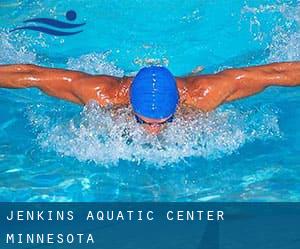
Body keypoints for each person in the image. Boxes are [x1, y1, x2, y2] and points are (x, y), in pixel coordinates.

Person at [0, 62, 299, 134]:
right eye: (142, 121)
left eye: (163, 122)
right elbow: (31, 75)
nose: (153, 132)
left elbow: (273, 74)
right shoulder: (101, 93)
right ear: (130, 105)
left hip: (191, 84)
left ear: (177, 107)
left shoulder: (204, 94)